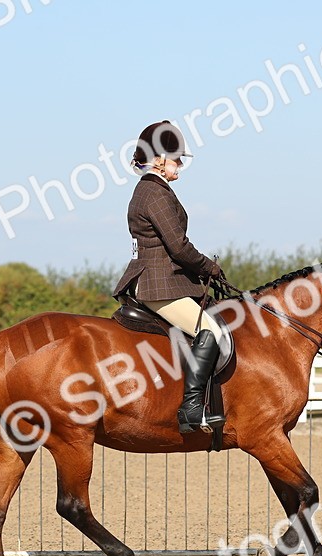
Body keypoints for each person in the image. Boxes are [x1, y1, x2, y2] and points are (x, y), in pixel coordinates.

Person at [112, 120, 226, 434]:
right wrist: (208, 268)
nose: (180, 166)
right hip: (158, 284)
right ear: (160, 159)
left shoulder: (148, 190)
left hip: (156, 279)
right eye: (177, 160)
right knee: (211, 331)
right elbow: (178, 246)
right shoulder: (155, 192)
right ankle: (191, 408)